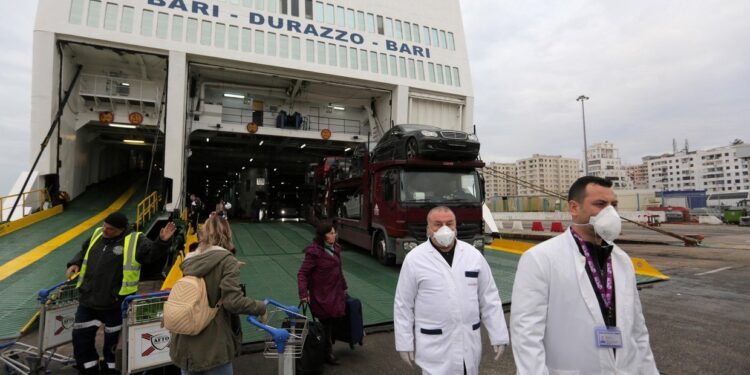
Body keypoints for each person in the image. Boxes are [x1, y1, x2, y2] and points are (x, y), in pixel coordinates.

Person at [510, 176, 659, 374]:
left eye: (613, 205)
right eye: (600, 204)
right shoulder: (540, 258)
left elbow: (638, 330)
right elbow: (526, 333)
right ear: (574, 208)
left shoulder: (621, 260)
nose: (610, 212)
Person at [394, 206, 509, 375]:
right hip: (435, 348)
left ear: (455, 226)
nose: (444, 228)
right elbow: (403, 305)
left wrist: (498, 334)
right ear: (428, 228)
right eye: (437, 224)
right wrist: (404, 342)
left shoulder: (473, 255)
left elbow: (489, 297)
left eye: (449, 223)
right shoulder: (414, 260)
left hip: (469, 344)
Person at [65, 212, 176, 374]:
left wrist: (162, 242)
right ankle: (89, 370)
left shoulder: (135, 240)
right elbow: (84, 251)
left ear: (121, 229)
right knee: (80, 338)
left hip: (115, 303)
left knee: (112, 345)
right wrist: (75, 263)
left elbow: (152, 254)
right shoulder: (97, 234)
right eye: (104, 225)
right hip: (88, 300)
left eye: (109, 229)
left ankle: (112, 371)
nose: (104, 230)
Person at [170, 213, 267, 375]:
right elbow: (233, 302)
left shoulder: (189, 259)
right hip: (212, 345)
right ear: (227, 233)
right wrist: (260, 307)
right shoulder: (226, 260)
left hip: (185, 342)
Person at [297, 221, 348, 365]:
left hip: (336, 292)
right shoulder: (314, 253)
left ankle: (325, 347)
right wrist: (303, 293)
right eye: (331, 233)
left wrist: (344, 286)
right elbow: (302, 274)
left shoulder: (336, 248)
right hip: (322, 295)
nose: (334, 235)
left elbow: (339, 269)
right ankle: (327, 353)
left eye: (334, 232)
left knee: (335, 320)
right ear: (323, 236)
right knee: (326, 323)